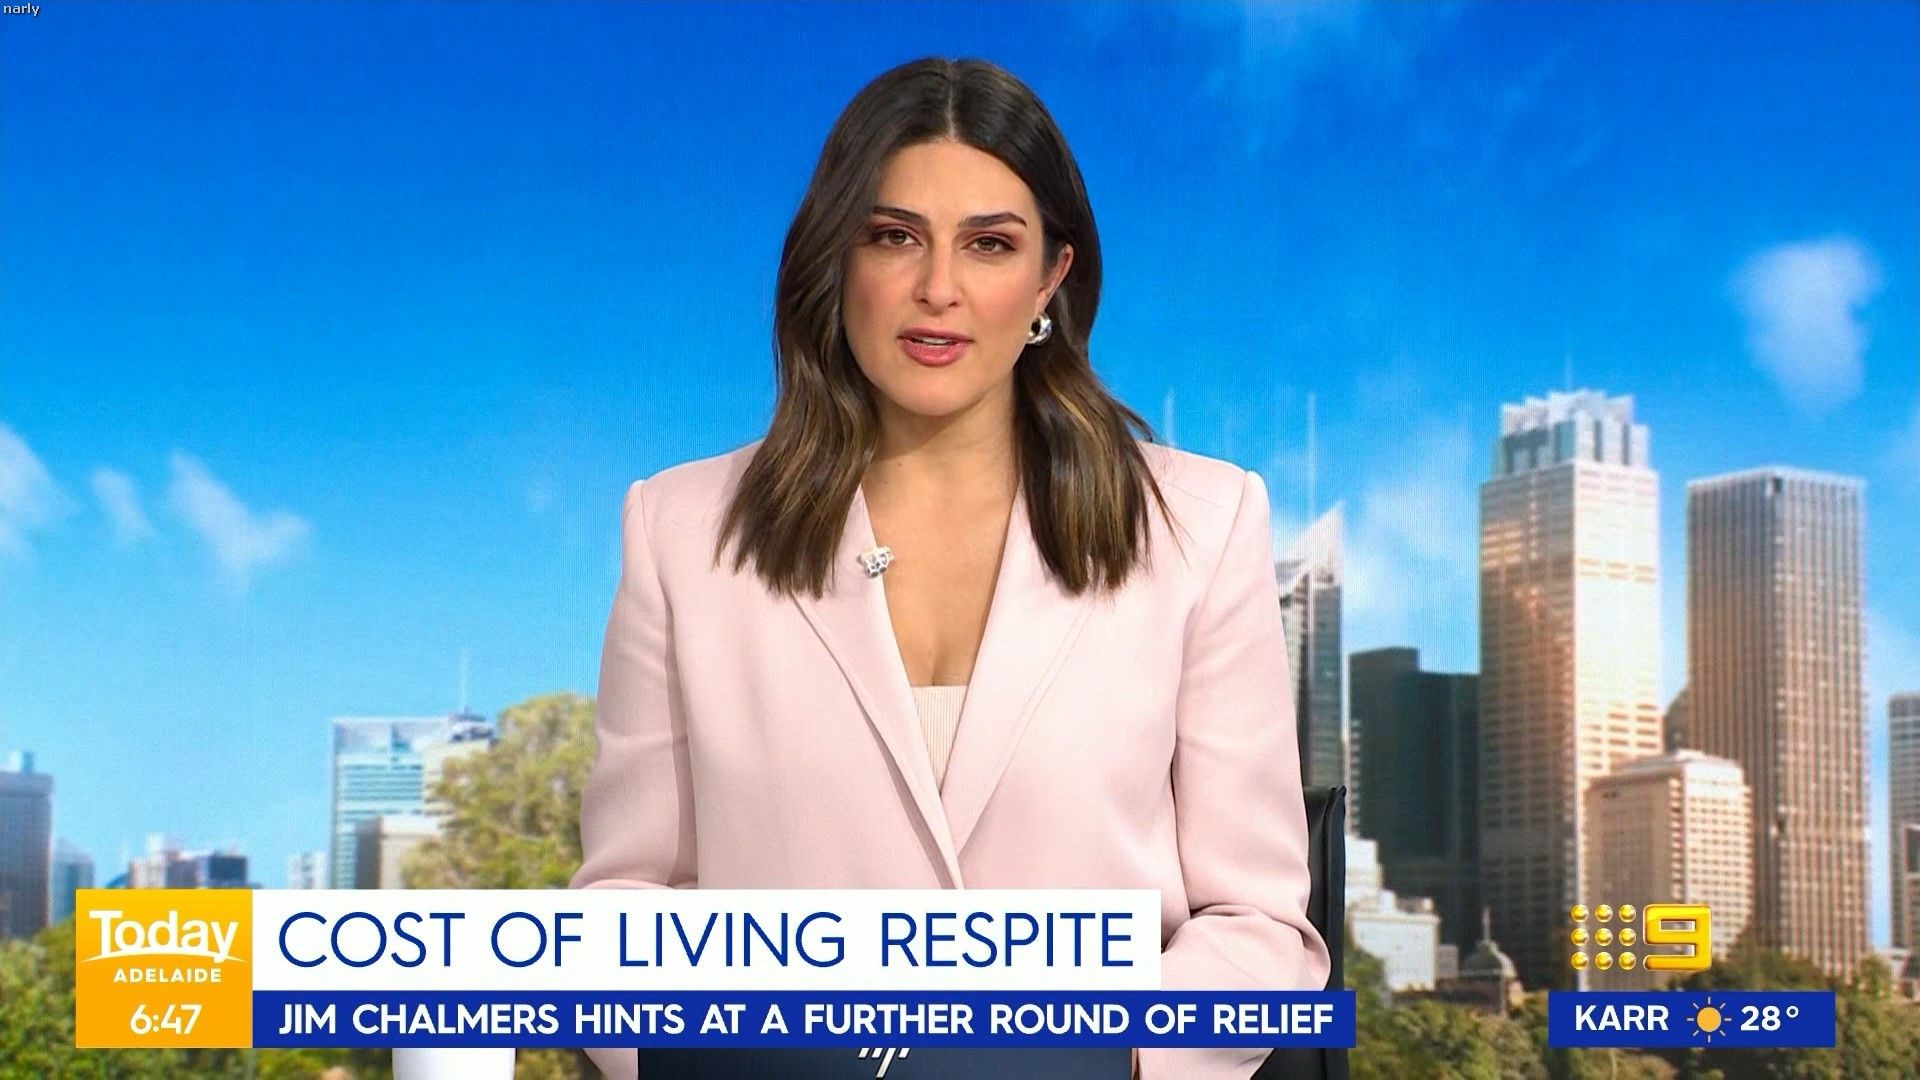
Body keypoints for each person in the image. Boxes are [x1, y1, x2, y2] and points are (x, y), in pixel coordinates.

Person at [397, 56, 1327, 1080]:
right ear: (836, 259)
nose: (939, 289)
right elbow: (626, 906)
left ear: (1051, 278)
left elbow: (1256, 926)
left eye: (989, 244)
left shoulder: (1199, 526)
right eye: (894, 237)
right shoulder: (680, 532)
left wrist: (1094, 1062)